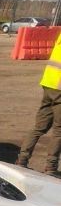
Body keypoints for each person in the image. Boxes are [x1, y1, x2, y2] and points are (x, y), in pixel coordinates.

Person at [16, 31, 61, 175]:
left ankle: (22, 160)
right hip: (59, 87)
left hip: (48, 83)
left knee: (39, 127)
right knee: (59, 130)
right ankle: (51, 167)